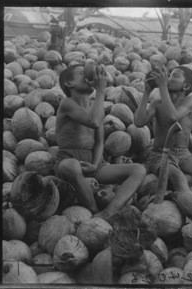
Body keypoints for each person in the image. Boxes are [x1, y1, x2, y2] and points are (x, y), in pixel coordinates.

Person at [55, 64, 147, 220]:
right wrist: (101, 91)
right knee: (72, 166)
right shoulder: (67, 103)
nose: (89, 74)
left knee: (139, 170)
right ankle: (93, 210)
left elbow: (99, 142)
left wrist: (95, 164)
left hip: (93, 162)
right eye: (83, 72)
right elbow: (94, 121)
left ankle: (109, 211)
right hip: (68, 160)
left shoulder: (95, 107)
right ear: (69, 84)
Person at [134, 66, 192, 212]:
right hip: (160, 155)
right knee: (178, 177)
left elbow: (174, 116)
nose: (169, 78)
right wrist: (146, 91)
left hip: (183, 154)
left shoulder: (190, 101)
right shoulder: (157, 104)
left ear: (186, 86)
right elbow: (138, 122)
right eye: (169, 75)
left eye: (175, 75)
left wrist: (162, 86)